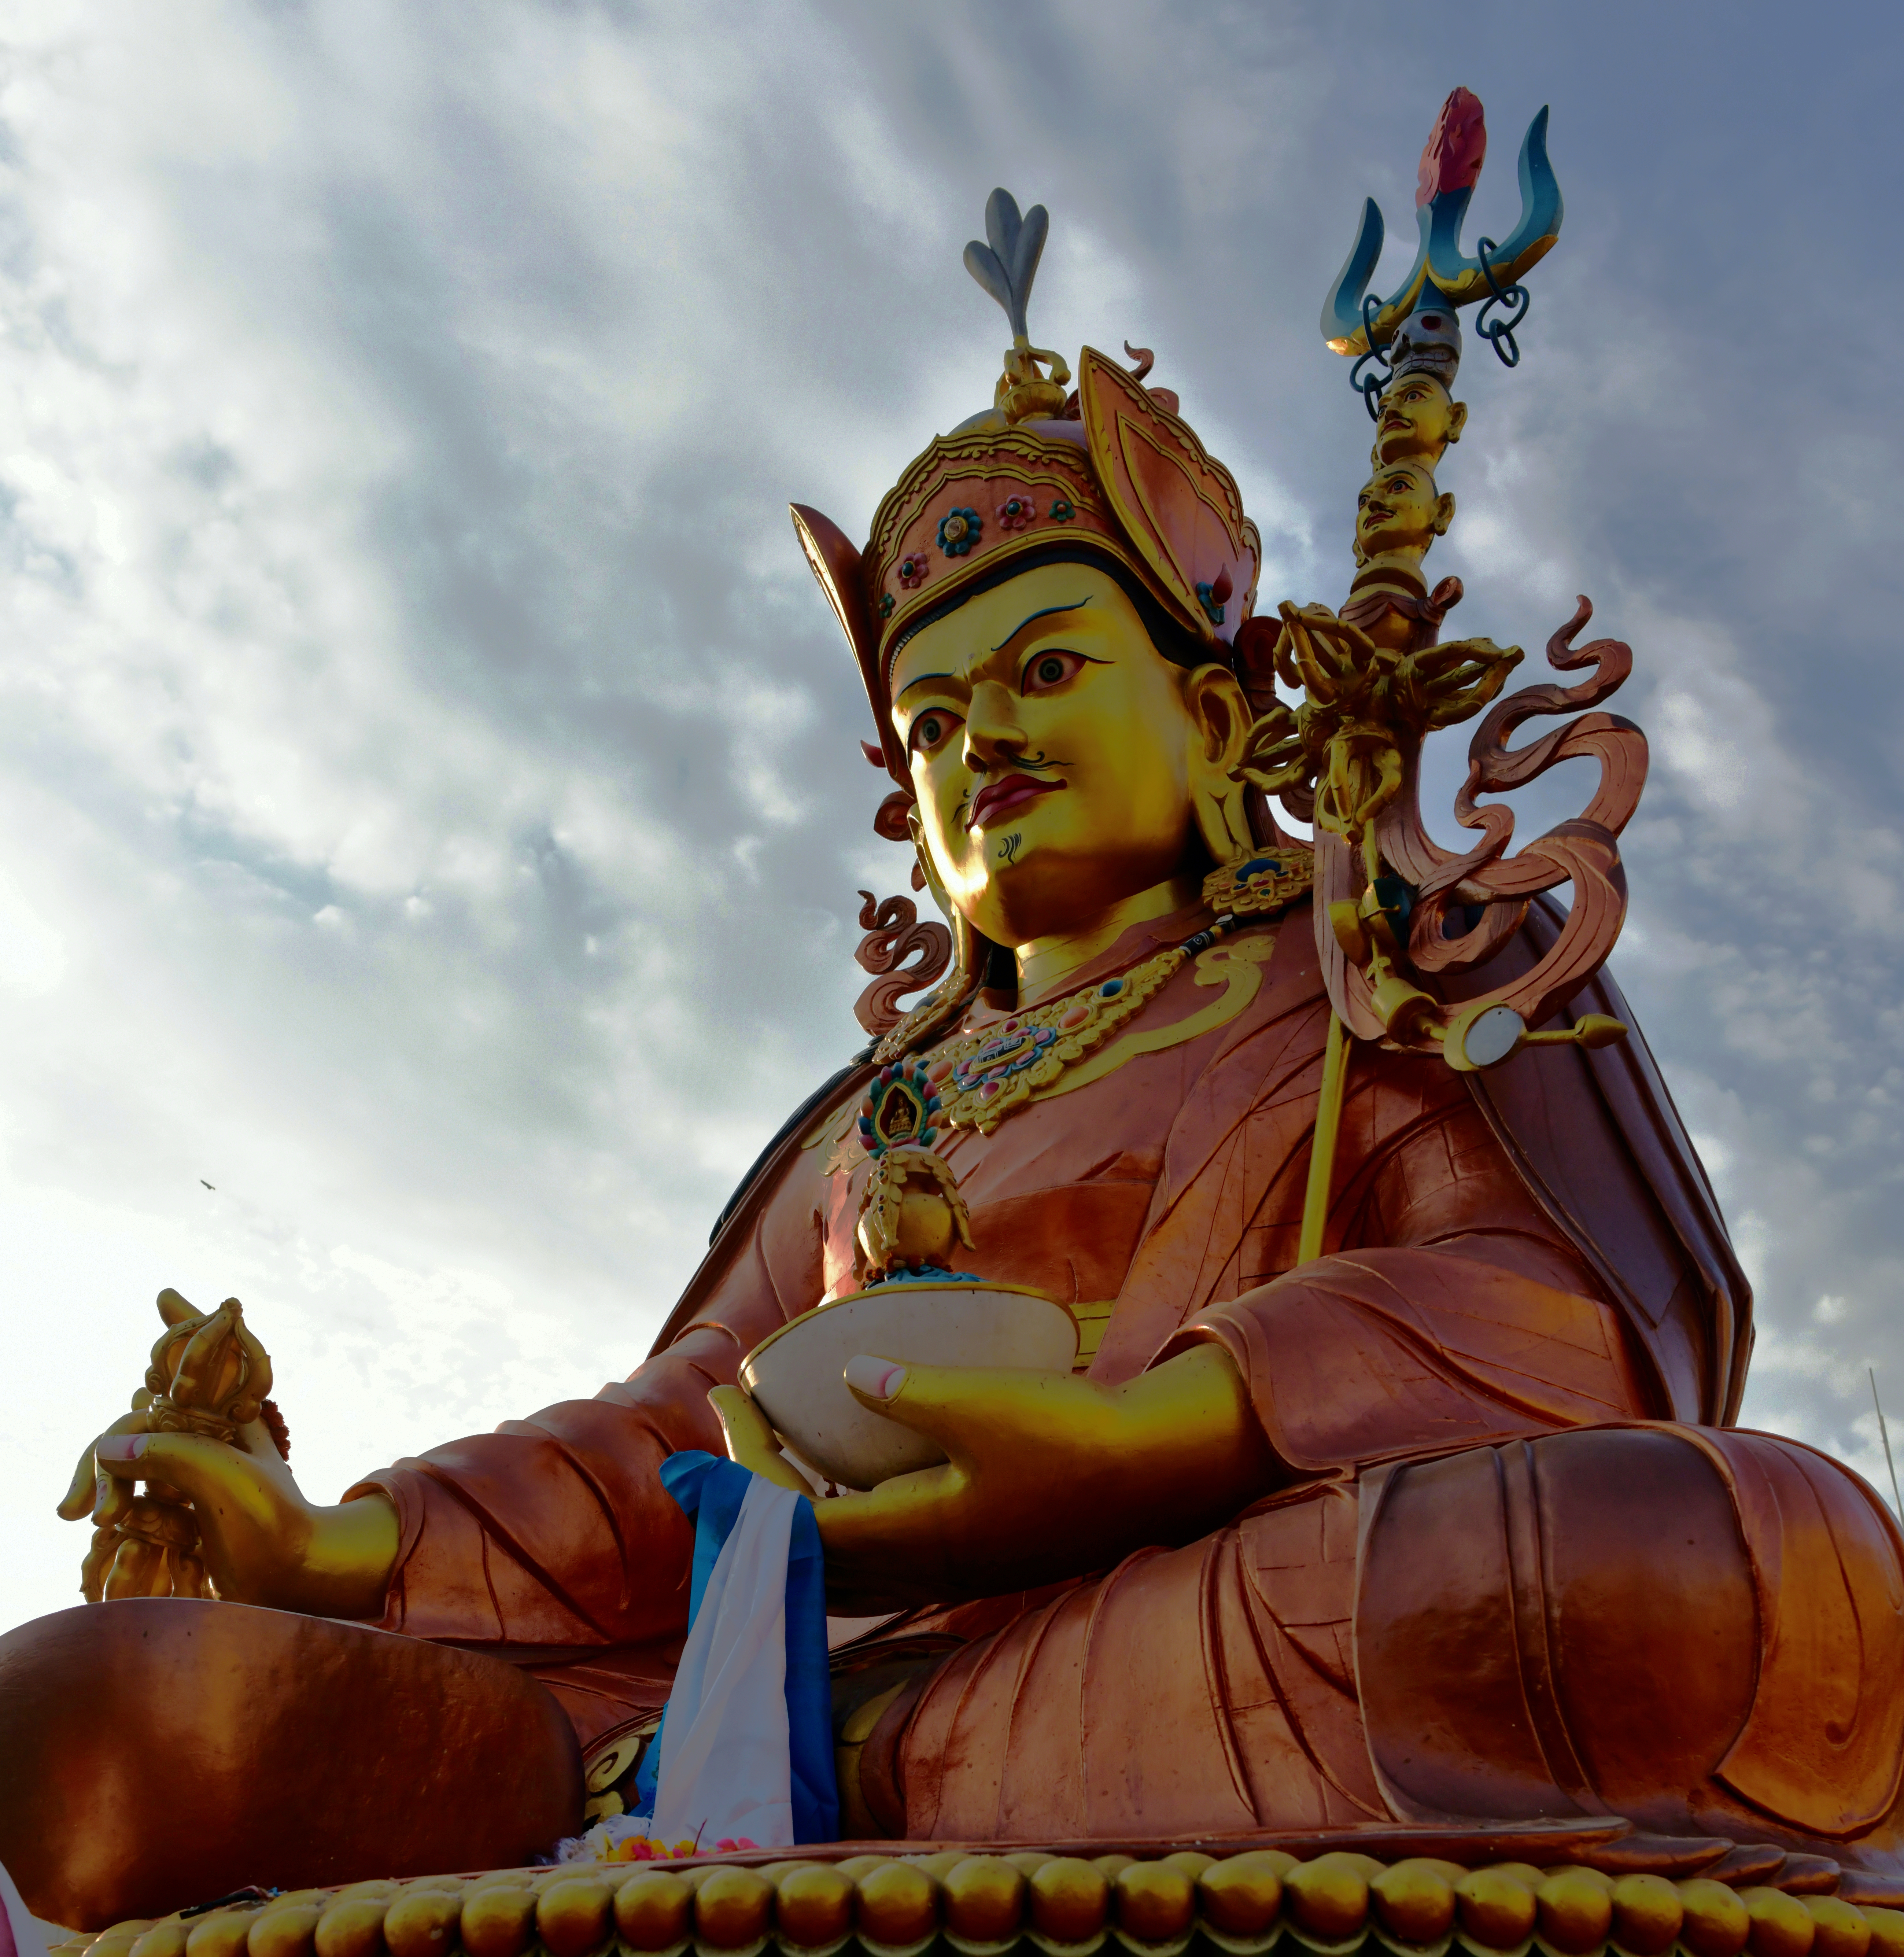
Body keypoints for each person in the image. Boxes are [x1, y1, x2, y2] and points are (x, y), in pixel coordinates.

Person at [27, 234, 1904, 1894]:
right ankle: (790, 1766)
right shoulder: (873, 1118)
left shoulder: (1378, 959)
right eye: (928, 720)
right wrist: (348, 1542)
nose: (975, 743)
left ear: (1216, 706)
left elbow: (1579, 1314)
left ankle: (804, 1789)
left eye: (1043, 672)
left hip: (1223, 1611)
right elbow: (680, 1437)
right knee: (113, 1713)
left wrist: (1150, 1433)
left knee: (1711, 1558)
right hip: (831, 1657)